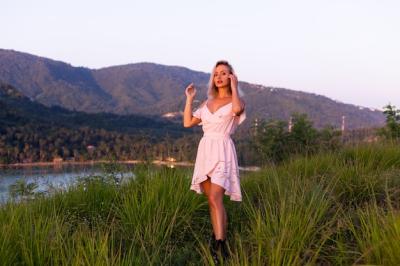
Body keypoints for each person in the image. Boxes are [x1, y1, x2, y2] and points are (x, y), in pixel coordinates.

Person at [183, 60, 246, 261]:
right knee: (212, 201)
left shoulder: (236, 101)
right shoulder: (206, 103)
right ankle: (219, 238)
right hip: (205, 151)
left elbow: (236, 110)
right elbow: (187, 123)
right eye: (216, 73)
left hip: (223, 150)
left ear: (231, 76)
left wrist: (235, 87)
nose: (219, 77)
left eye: (224, 73)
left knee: (216, 198)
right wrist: (190, 98)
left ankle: (220, 248)